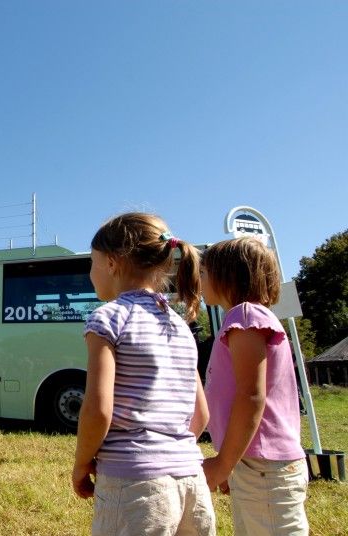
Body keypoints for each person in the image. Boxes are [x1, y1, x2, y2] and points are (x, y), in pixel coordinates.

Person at [71, 212, 215, 536]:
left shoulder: (108, 319)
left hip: (135, 484)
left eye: (91, 263)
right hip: (192, 481)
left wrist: (81, 464)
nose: (90, 273)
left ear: (112, 263)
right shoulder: (179, 326)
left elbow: (98, 410)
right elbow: (200, 415)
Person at [201, 238, 308, 536]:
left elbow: (251, 395)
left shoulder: (245, 316)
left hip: (263, 466)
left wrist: (223, 463)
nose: (200, 281)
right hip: (255, 464)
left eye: (204, 273)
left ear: (228, 275)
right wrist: (232, 461)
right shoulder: (242, 318)